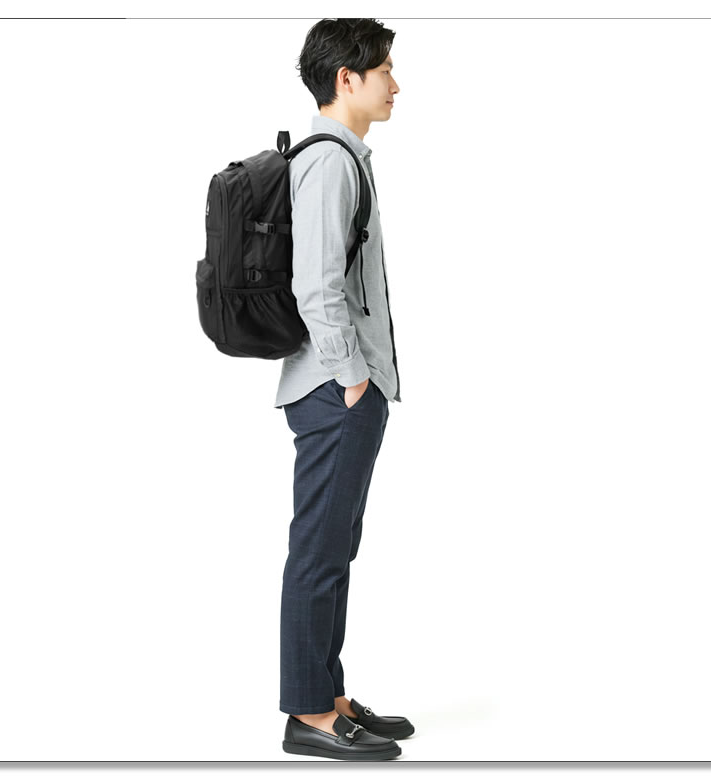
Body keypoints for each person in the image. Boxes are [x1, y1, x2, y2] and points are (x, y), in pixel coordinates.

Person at [273, 18, 413, 761]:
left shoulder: (342, 157)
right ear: (346, 79)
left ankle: (327, 697)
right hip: (336, 390)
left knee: (335, 547)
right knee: (318, 551)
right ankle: (307, 714)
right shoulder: (329, 162)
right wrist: (354, 378)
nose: (396, 85)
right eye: (384, 70)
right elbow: (316, 288)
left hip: (343, 389)